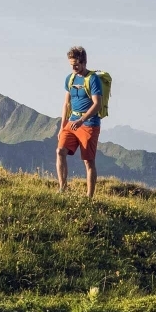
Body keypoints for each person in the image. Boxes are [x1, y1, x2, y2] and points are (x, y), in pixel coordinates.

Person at [56, 46, 103, 198]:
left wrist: (83, 120)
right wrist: (63, 126)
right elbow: (66, 103)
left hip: (89, 124)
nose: (73, 67)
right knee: (60, 151)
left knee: (88, 162)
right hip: (72, 122)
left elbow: (97, 104)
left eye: (76, 64)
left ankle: (89, 197)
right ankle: (63, 188)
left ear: (83, 62)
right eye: (71, 65)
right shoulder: (70, 79)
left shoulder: (93, 79)